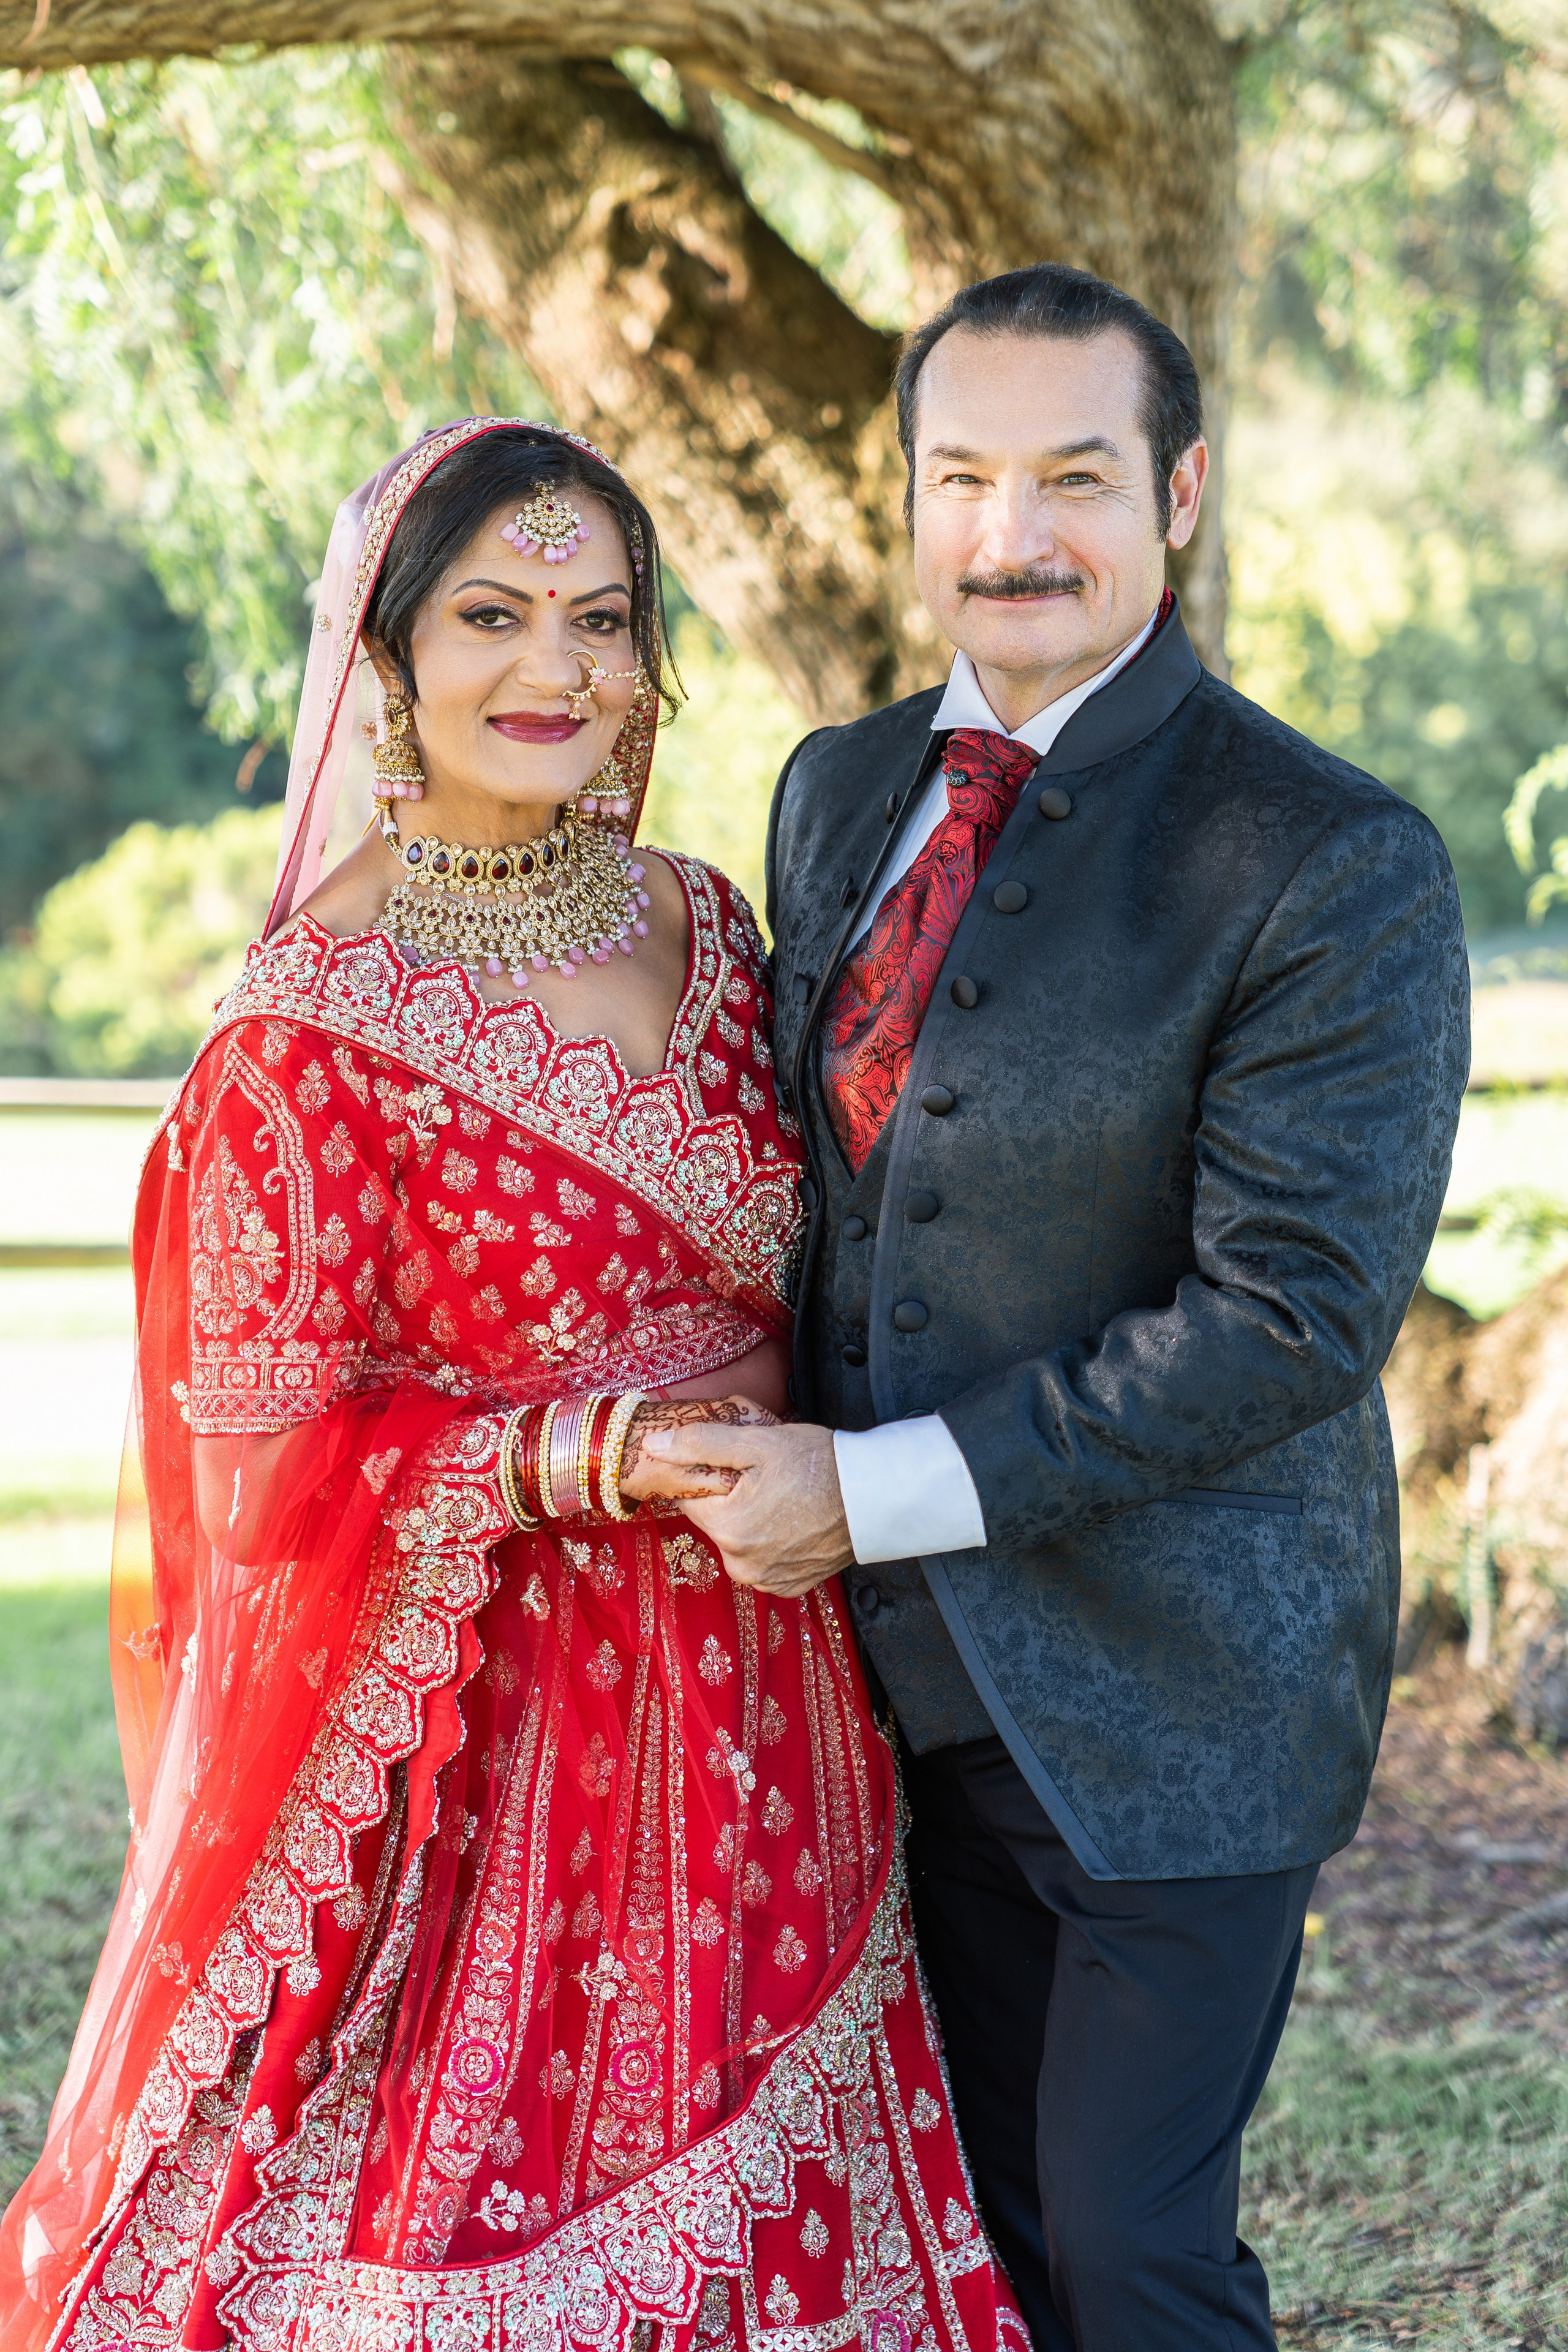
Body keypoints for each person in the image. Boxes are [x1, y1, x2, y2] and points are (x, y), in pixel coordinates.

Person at [0, 420, 1027, 2352]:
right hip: (503, 1759)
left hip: (783, 1691)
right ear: (384, 661)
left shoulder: (715, 928)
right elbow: (257, 1492)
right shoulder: (304, 1040)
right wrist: (590, 1455)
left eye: (602, 620)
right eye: (492, 615)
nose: (555, 670)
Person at [646, 266, 1472, 2350]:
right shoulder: (836, 790)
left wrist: (877, 1489)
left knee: (1126, 2254)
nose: (1013, 534)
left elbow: (1292, 1314)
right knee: (962, 2246)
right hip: (868, 1700)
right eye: (965, 477)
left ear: (1179, 494)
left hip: (1176, 1705)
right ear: (910, 502)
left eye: (1075, 478)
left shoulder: (1328, 856)